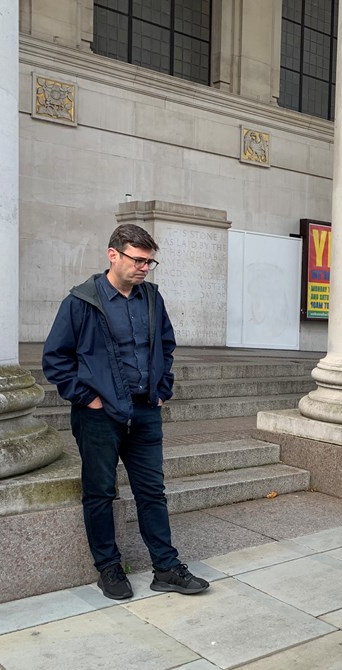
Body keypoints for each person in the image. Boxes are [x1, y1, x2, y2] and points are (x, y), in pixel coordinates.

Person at [42, 224, 209, 600]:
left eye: (150, 262)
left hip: (145, 410)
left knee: (153, 491)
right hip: (99, 415)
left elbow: (165, 346)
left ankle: (166, 567)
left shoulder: (151, 298)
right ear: (113, 254)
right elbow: (55, 359)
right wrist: (88, 399)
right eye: (138, 259)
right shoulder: (81, 301)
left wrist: (161, 389)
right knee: (100, 492)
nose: (145, 268)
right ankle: (109, 568)